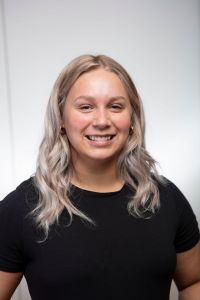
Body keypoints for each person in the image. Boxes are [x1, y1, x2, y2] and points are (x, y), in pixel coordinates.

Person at [0, 54, 199, 300]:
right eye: (85, 106)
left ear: (132, 119)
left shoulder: (166, 199)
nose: (102, 121)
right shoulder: (21, 208)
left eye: (115, 106)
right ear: (61, 118)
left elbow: (193, 281)